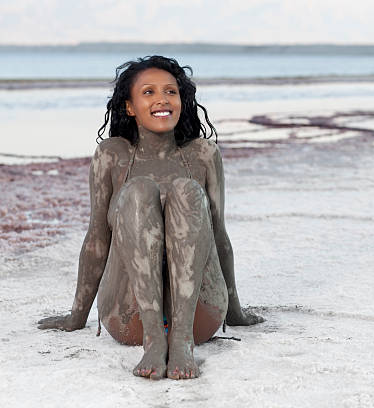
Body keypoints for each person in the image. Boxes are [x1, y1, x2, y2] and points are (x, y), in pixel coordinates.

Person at [38, 55, 263, 380]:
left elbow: (218, 236)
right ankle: (155, 338)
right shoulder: (112, 155)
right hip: (130, 317)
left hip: (200, 314)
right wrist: (76, 316)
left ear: (182, 101)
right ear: (129, 106)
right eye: (148, 92)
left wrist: (236, 311)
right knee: (139, 191)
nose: (162, 99)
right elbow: (97, 239)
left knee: (185, 191)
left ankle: (180, 338)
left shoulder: (203, 154)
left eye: (171, 92)